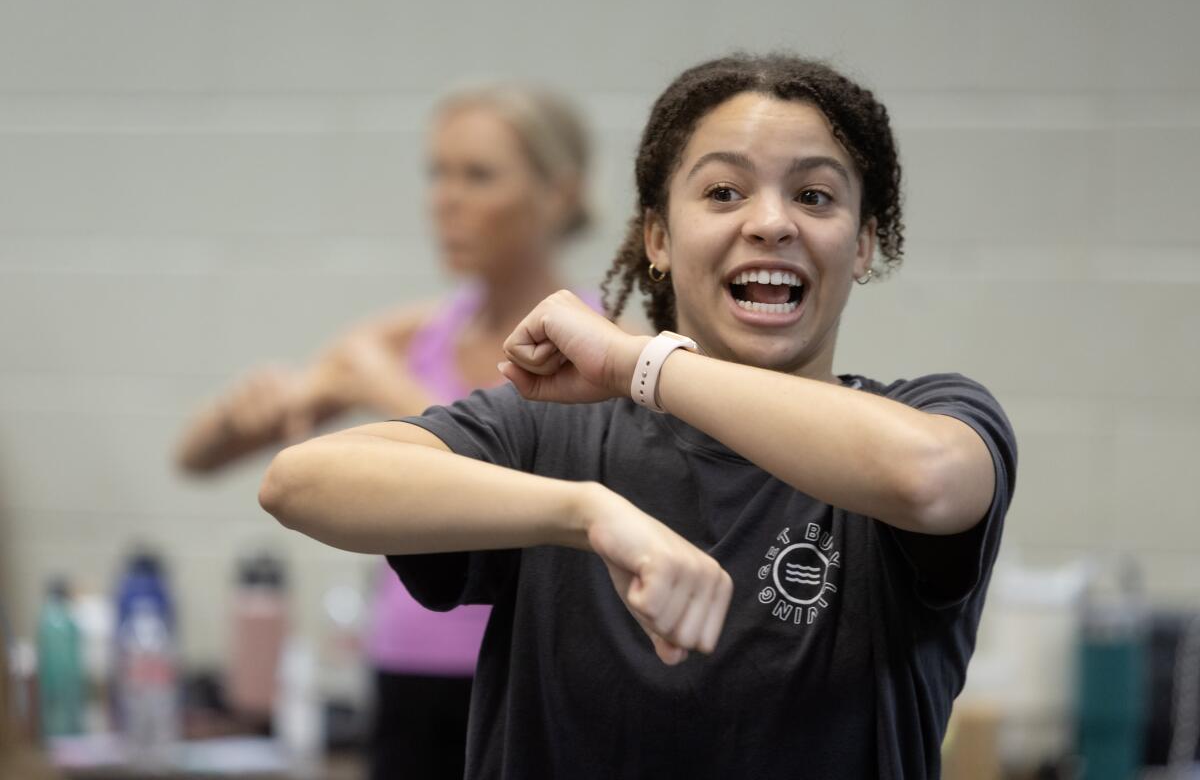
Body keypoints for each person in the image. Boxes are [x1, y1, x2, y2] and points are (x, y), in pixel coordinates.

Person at [258, 53, 1018, 778]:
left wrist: (638, 363)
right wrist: (584, 512)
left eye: (815, 196)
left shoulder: (928, 417)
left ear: (863, 243)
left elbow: (928, 480)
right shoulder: (552, 433)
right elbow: (301, 482)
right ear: (658, 235)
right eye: (724, 192)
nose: (772, 223)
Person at [175, 83, 594, 779]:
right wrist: (235, 416)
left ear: (558, 194)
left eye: (478, 175)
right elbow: (197, 457)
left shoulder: (604, 350)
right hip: (404, 673)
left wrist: (383, 389)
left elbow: (520, 491)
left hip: (533, 675)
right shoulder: (410, 336)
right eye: (438, 173)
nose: (445, 200)